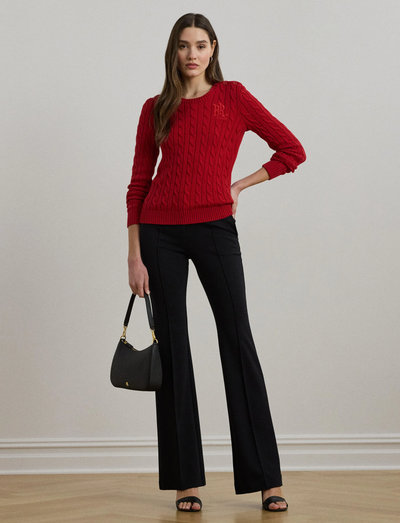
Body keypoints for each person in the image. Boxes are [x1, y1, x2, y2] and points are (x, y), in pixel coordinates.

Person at [126, 12, 306, 513]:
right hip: (159, 234)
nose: (192, 54)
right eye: (184, 45)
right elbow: (138, 184)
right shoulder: (155, 108)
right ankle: (185, 481)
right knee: (173, 351)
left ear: (213, 50)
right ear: (174, 51)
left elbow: (292, 150)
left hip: (215, 229)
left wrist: (239, 186)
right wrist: (134, 255)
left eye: (201, 45)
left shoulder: (233, 97)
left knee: (237, 340)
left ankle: (266, 478)